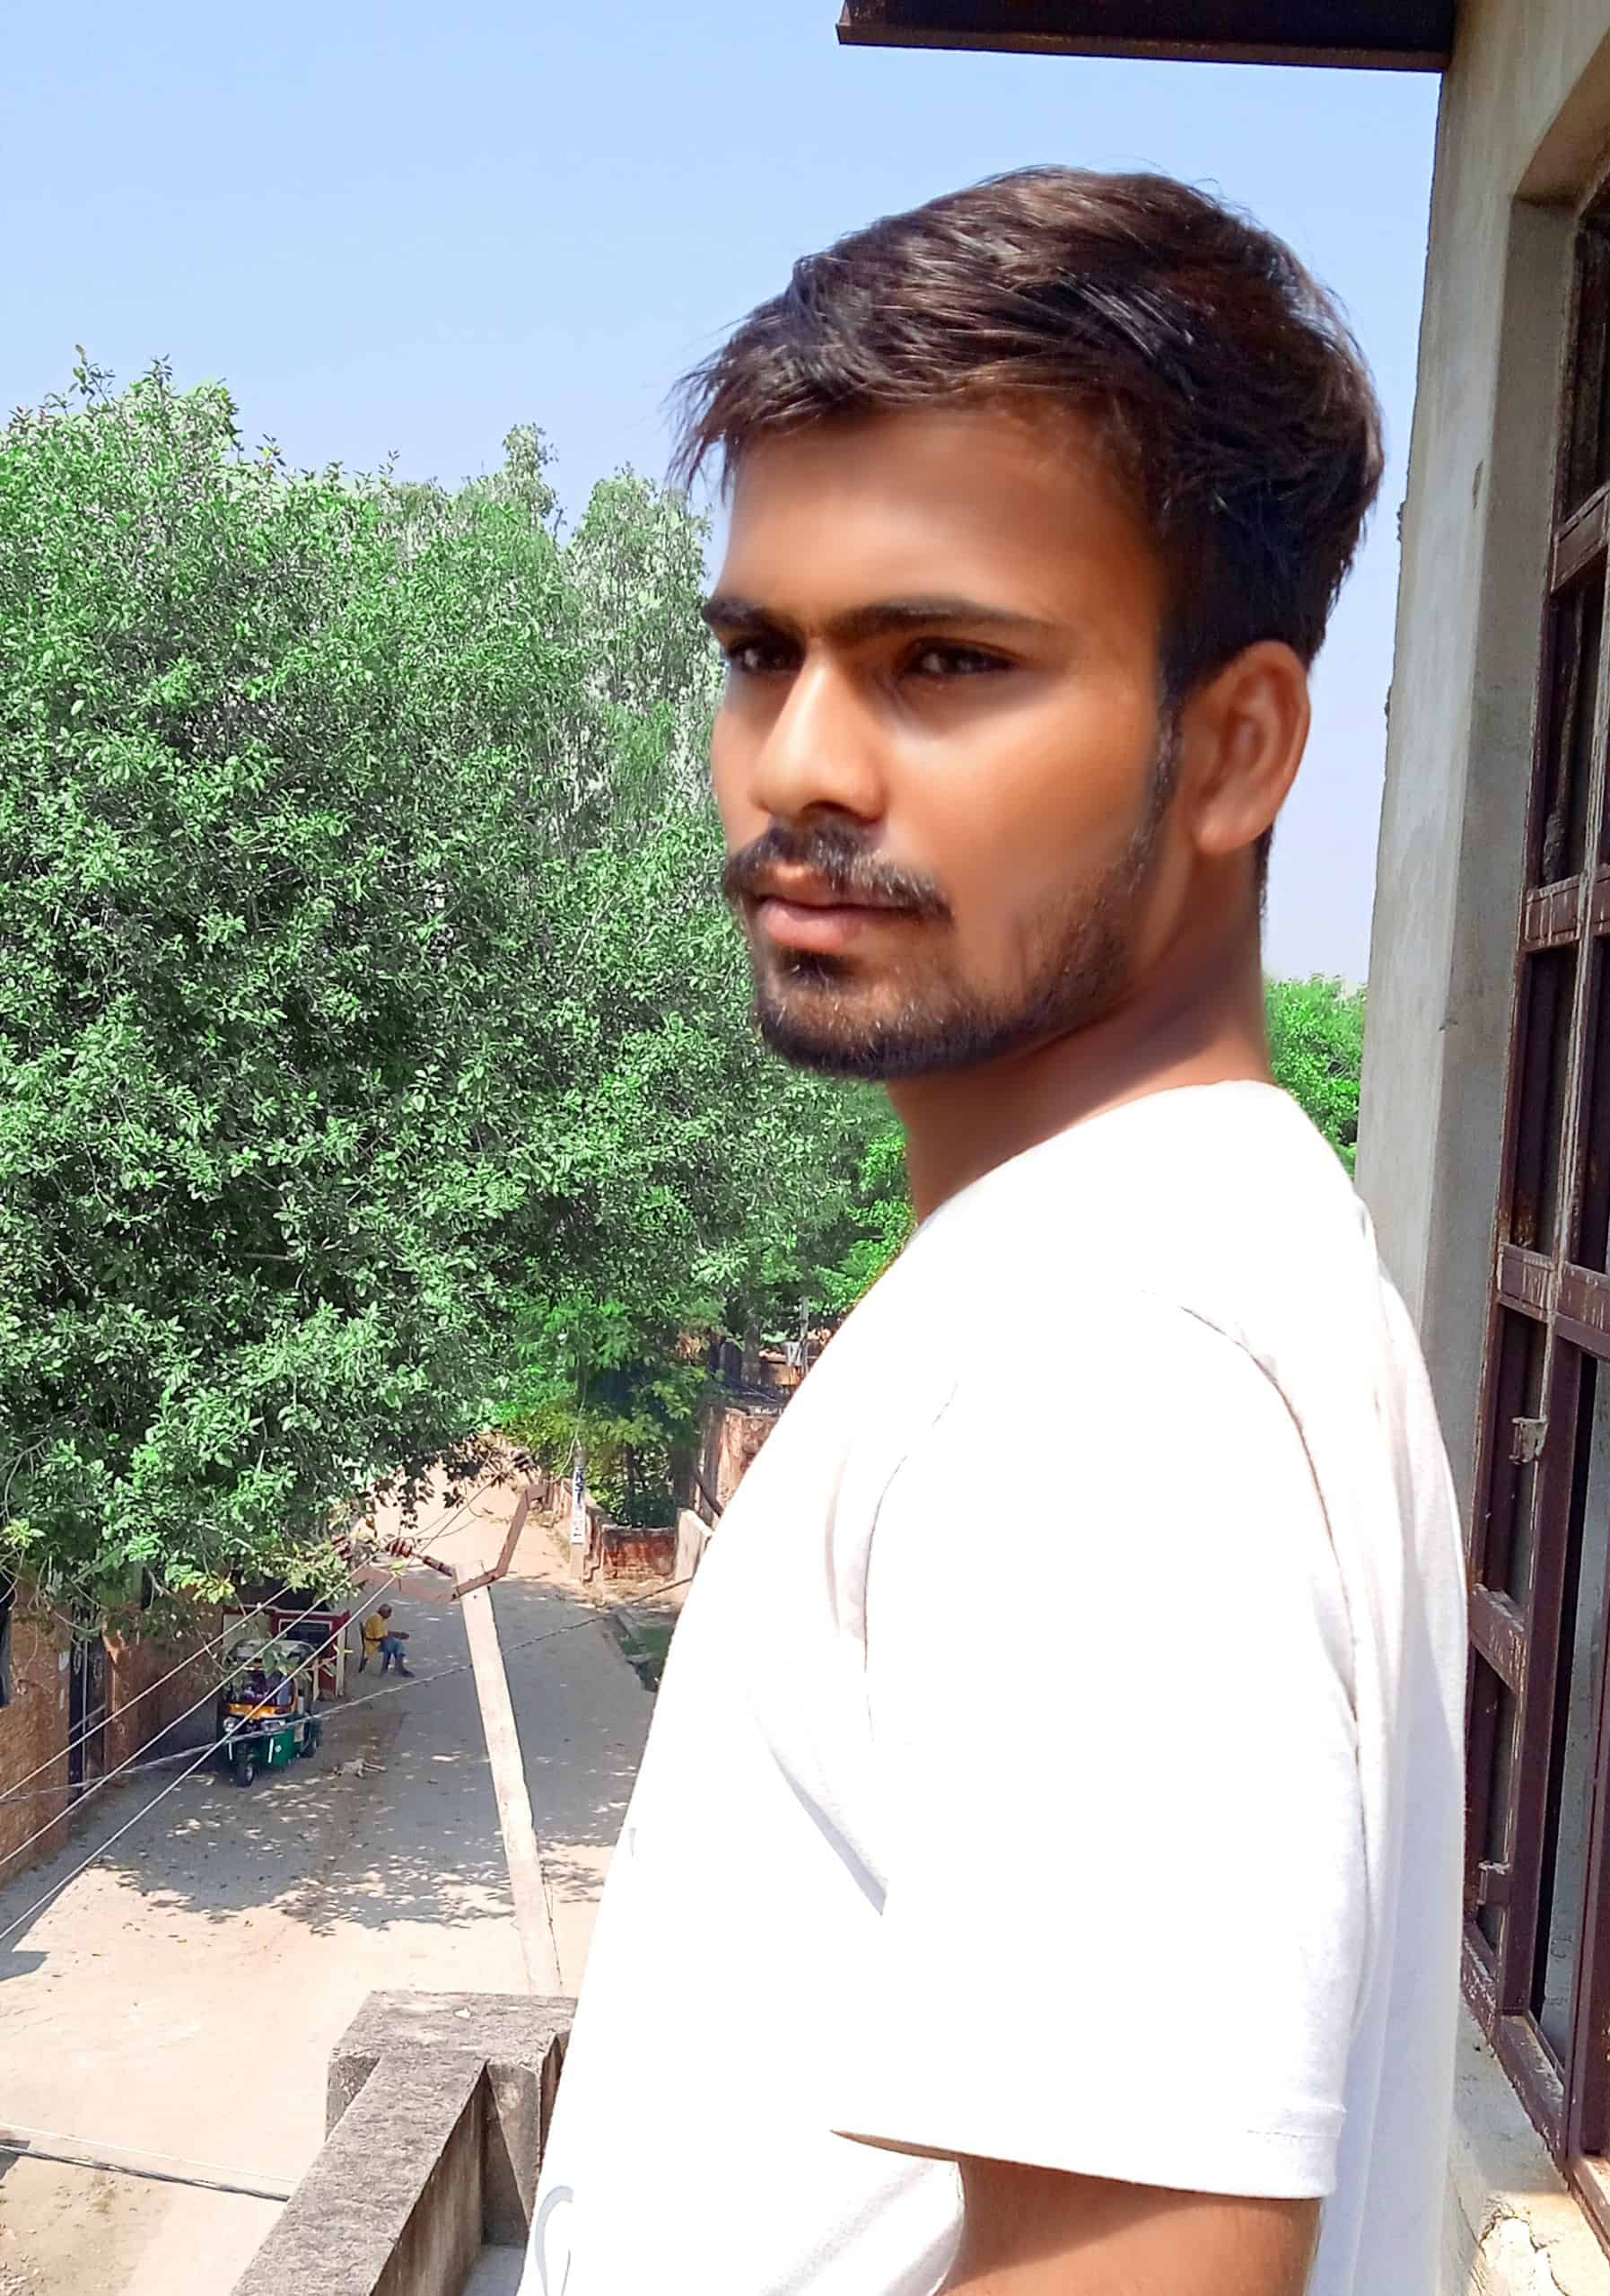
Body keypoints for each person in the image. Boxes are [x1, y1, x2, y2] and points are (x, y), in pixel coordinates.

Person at [521, 167, 1466, 2296]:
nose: (799, 765)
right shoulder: (1177, 1251)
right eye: (759, 654)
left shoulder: (1102, 1363)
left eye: (941, 660)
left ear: (1235, 749)